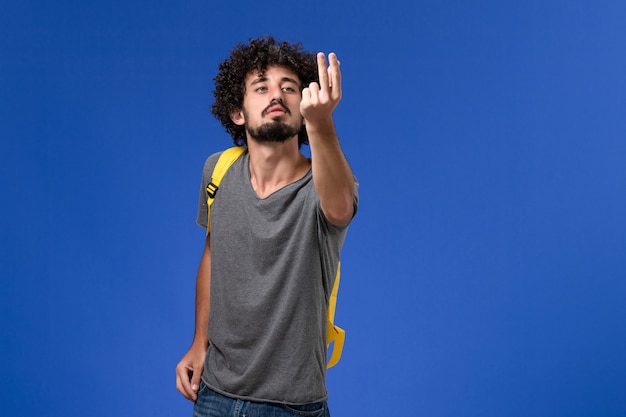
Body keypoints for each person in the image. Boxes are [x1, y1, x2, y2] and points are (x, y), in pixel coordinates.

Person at [175, 36, 358, 417]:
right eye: (262, 87)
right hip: (214, 395)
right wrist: (198, 342)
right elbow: (213, 255)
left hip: (293, 406)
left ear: (303, 108)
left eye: (289, 88)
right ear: (238, 112)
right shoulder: (218, 170)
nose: (277, 95)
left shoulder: (324, 182)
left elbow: (340, 209)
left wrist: (322, 123)